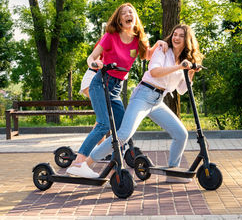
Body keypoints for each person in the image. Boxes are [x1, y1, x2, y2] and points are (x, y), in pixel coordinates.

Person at [77, 24, 204, 183]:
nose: (176, 38)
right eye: (174, 34)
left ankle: (173, 172)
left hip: (158, 101)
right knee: (123, 134)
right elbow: (154, 72)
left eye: (180, 36)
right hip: (143, 95)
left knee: (181, 134)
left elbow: (182, 89)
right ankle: (87, 163)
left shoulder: (183, 61)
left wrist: (189, 72)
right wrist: (179, 67)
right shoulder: (163, 50)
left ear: (188, 40)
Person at [66, 3, 167, 177]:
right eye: (124, 13)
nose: (128, 14)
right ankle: (78, 163)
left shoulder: (138, 39)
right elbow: (91, 57)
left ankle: (115, 164)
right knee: (104, 123)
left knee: (122, 130)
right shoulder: (110, 36)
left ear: (134, 17)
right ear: (119, 20)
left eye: (131, 12)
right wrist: (95, 63)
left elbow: (147, 55)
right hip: (101, 83)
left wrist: (158, 42)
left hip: (116, 88)